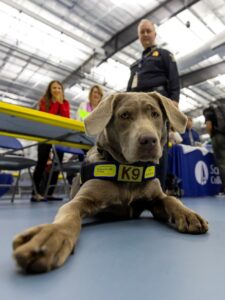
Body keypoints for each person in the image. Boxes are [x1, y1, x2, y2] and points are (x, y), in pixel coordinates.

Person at [127, 19, 180, 191]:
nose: (145, 34)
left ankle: (158, 191)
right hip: (136, 109)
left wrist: (174, 103)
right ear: (139, 37)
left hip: (157, 106)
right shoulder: (136, 65)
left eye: (148, 31)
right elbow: (129, 89)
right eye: (142, 32)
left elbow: (174, 79)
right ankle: (137, 189)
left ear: (154, 34)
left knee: (159, 146)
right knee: (135, 143)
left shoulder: (164, 54)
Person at [31, 80, 70, 202]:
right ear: (50, 90)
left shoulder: (65, 103)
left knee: (57, 164)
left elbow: (66, 118)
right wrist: (55, 103)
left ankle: (49, 193)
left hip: (60, 137)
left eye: (59, 88)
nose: (57, 90)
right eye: (54, 88)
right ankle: (35, 193)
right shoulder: (44, 101)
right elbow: (47, 118)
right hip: (45, 135)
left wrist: (60, 103)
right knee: (41, 163)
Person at [203, 106, 225, 194]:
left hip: (217, 137)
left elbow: (209, 126)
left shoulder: (209, 114)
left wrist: (211, 135)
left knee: (222, 163)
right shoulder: (220, 113)